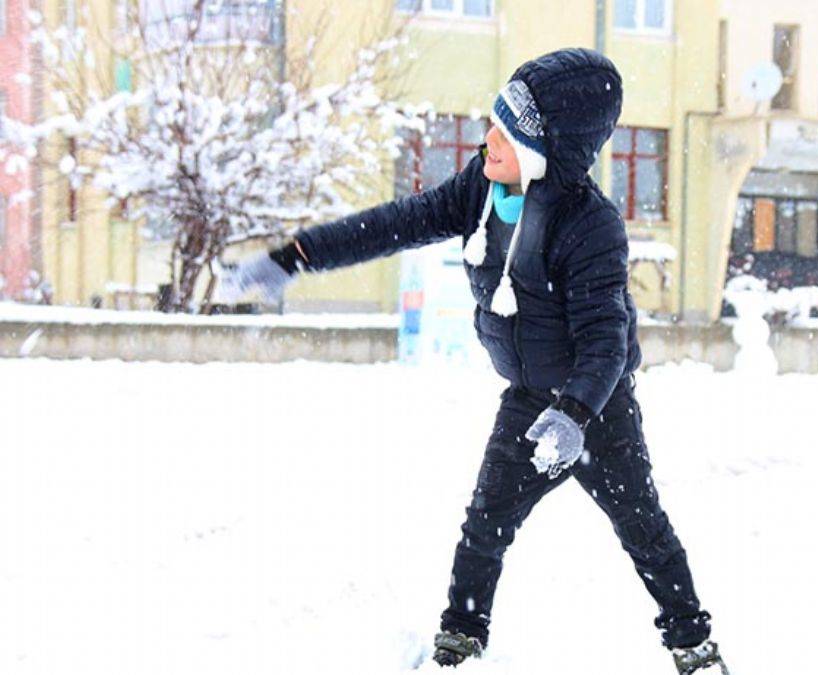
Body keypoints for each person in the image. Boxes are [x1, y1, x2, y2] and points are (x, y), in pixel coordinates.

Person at [218, 48, 726, 673]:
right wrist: (296, 255)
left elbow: (606, 339)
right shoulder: (478, 191)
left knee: (644, 530)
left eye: (509, 130)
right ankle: (458, 643)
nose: (490, 137)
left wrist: (573, 415)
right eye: (495, 120)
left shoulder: (589, 225)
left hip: (596, 409)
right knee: (484, 527)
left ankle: (693, 647)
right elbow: (393, 224)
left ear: (548, 148)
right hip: (527, 397)